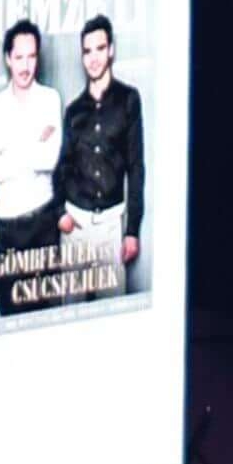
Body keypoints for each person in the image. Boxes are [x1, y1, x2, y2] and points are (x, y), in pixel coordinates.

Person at [0, 17, 65, 290]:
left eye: (31, 57)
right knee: (4, 310)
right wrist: (33, 141)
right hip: (9, 229)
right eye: (19, 57)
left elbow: (49, 158)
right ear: (7, 59)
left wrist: (8, 149)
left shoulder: (50, 99)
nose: (26, 66)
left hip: (43, 224)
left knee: (45, 311)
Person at [54, 14, 145, 277]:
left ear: (111, 51)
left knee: (113, 299)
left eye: (100, 49)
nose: (93, 58)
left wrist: (132, 231)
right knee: (70, 302)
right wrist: (60, 213)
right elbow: (62, 167)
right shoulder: (73, 110)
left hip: (110, 225)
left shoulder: (129, 99)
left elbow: (136, 167)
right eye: (87, 51)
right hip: (75, 223)